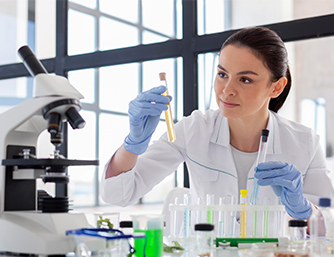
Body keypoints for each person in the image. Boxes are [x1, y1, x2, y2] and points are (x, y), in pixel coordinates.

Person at [100, 27, 333, 231]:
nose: (226, 90)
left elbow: (329, 225)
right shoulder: (194, 129)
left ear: (277, 87)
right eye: (222, 74)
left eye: (245, 80)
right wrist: (133, 144)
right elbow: (117, 195)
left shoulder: (305, 142)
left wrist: (303, 208)